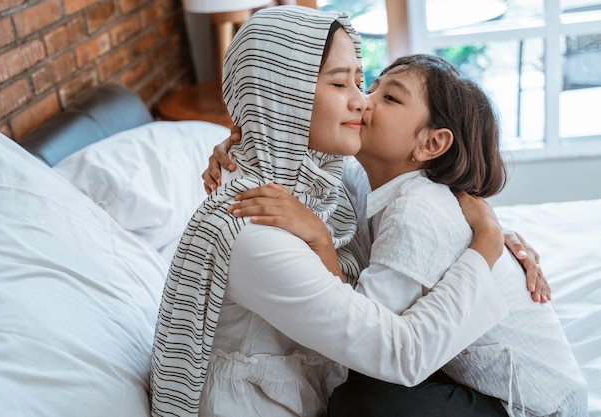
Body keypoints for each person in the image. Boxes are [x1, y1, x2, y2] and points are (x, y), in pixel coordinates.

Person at [151, 6, 510, 417]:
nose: (363, 102)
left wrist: (493, 231)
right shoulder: (255, 228)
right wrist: (487, 246)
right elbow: (397, 354)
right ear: (284, 94)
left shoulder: (325, 179)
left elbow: (413, 200)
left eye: (361, 81)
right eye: (342, 83)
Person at [222, 54, 588, 416]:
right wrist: (234, 149)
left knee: (360, 402)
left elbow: (362, 337)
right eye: (372, 86)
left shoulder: (415, 208)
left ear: (430, 144)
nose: (364, 99)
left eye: (390, 98)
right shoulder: (369, 178)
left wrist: (319, 238)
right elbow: (307, 160)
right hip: (459, 366)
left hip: (533, 405)